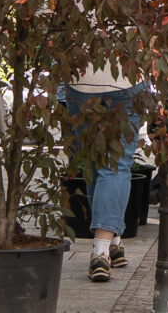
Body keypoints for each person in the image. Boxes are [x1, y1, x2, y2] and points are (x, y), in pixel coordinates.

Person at [61, 61, 143, 283]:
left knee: (93, 161)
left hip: (81, 81)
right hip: (127, 78)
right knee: (115, 164)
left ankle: (113, 241)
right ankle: (101, 252)